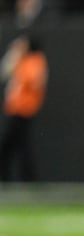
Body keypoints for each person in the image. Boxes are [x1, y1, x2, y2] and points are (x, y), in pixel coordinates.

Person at [0, 35, 47, 182]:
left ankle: (25, 177)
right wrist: (13, 55)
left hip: (24, 109)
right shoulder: (20, 61)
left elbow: (35, 83)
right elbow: (4, 73)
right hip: (15, 109)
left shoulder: (35, 61)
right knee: (16, 144)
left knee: (15, 144)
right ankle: (22, 176)